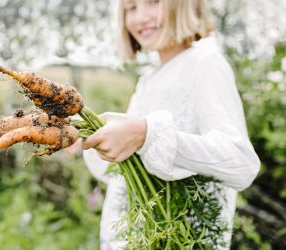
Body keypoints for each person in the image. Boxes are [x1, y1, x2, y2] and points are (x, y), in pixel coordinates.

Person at [80, 0, 261, 249]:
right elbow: (124, 173)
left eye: (153, 2)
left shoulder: (205, 64)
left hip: (182, 242)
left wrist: (147, 134)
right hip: (134, 240)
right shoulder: (148, 80)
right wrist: (88, 140)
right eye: (131, 8)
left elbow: (241, 163)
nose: (140, 18)